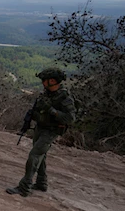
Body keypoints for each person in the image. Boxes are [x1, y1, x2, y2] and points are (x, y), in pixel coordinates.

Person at [6, 67, 75, 197]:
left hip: (51, 131)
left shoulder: (64, 97)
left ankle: (24, 187)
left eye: (45, 80)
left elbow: (70, 118)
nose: (43, 82)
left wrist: (51, 110)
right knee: (40, 157)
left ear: (53, 81)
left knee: (34, 156)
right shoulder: (47, 93)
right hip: (41, 128)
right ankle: (41, 183)